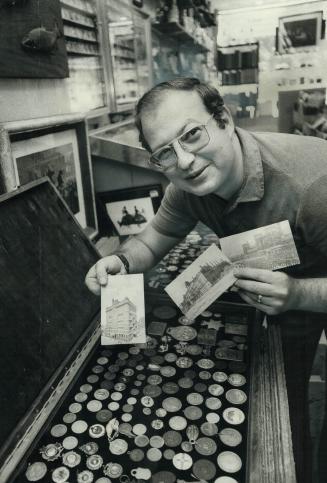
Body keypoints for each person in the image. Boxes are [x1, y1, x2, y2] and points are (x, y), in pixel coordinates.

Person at [85, 77, 327, 483]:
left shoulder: (312, 187)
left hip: (308, 285)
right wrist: (122, 262)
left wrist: (299, 294)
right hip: (274, 290)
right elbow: (153, 239)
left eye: (192, 135)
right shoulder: (187, 185)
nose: (184, 161)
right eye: (165, 152)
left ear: (224, 120)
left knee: (289, 414)